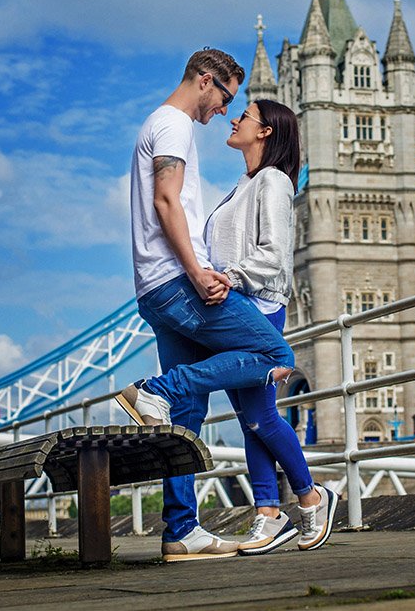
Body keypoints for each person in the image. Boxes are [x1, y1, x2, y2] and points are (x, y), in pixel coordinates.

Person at [116, 49, 315, 561]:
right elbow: (166, 201)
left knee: (186, 415)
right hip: (179, 283)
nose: (225, 111)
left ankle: (181, 530)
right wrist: (198, 271)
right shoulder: (175, 125)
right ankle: (153, 392)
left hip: (157, 288)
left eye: (237, 108)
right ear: (206, 81)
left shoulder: (165, 128)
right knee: (277, 357)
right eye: (225, 98)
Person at [207, 99, 339, 555]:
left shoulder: (275, 182)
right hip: (233, 309)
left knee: (261, 415)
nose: (233, 118)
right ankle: (267, 512)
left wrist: (231, 279)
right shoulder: (244, 183)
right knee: (250, 422)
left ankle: (310, 497)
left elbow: (275, 254)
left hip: (257, 309)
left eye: (244, 115)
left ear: (265, 132)